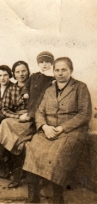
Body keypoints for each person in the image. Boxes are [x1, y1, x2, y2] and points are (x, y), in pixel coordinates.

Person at [23, 57, 92, 203]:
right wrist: (44, 127)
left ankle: (57, 197)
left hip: (71, 131)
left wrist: (61, 128)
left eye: (64, 70)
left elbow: (84, 114)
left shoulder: (80, 87)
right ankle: (33, 196)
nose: (60, 73)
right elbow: (40, 112)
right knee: (31, 148)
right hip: (49, 130)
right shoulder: (49, 90)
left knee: (57, 154)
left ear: (71, 71)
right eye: (57, 70)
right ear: (53, 71)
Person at [0, 61, 31, 187]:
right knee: (7, 124)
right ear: (14, 74)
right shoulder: (11, 88)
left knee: (6, 125)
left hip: (31, 119)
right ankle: (15, 175)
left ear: (28, 71)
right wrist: (18, 116)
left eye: (23, 71)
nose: (21, 74)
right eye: (17, 72)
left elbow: (39, 105)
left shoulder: (33, 86)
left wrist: (28, 115)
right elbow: (5, 109)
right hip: (17, 119)